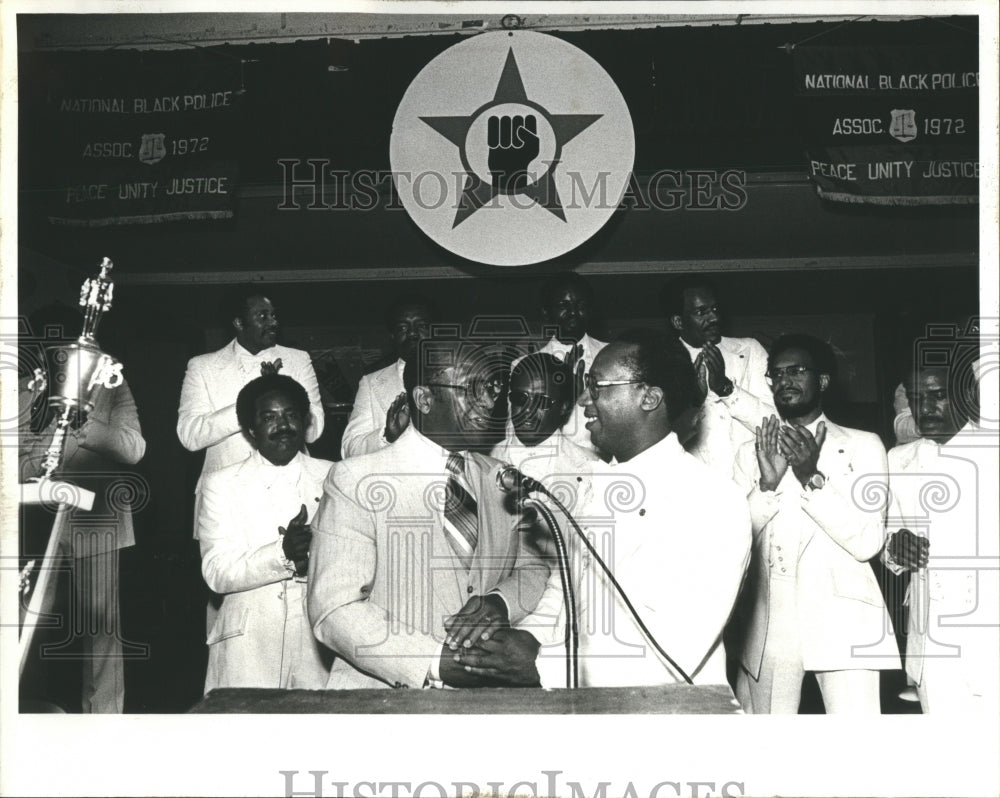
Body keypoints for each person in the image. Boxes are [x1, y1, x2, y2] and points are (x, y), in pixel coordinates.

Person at [456, 330, 752, 689]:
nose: (583, 400)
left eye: (597, 386)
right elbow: (565, 588)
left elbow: (673, 651)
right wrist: (522, 640)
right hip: (583, 704)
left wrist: (542, 666)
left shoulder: (714, 502)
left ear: (649, 397)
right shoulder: (599, 484)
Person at [308, 336, 550, 689]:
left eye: (494, 387)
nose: (490, 402)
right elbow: (334, 609)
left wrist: (500, 602)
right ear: (424, 399)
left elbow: (534, 568)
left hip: (488, 701)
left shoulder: (504, 478)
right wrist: (432, 662)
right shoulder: (355, 480)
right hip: (383, 704)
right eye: (473, 389)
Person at [732, 334, 899, 714]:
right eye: (777, 374)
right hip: (769, 624)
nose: (785, 380)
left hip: (845, 618)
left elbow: (868, 541)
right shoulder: (750, 452)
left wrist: (812, 478)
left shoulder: (863, 445)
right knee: (768, 749)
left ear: (822, 381)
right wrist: (767, 485)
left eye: (797, 371)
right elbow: (735, 544)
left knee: (855, 749)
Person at [18, 303, 146, 713]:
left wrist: (82, 424)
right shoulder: (19, 390)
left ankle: (104, 722)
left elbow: (134, 448)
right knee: (30, 622)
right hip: (36, 524)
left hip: (99, 521)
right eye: (50, 345)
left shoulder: (111, 386)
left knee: (101, 629)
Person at [197, 374, 334, 691]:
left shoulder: (334, 476)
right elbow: (216, 571)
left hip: (320, 646)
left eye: (291, 415)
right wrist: (282, 555)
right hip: (249, 647)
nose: (283, 425)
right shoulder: (221, 484)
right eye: (269, 417)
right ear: (250, 430)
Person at [883, 359, 998, 713]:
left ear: (965, 395)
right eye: (917, 397)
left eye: (938, 396)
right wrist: (895, 547)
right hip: (931, 646)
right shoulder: (898, 459)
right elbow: (887, 544)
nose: (926, 408)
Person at [177, 288, 324, 525]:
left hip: (292, 493)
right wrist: (252, 403)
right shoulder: (203, 366)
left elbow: (315, 430)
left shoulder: (298, 360)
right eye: (263, 316)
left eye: (274, 316)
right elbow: (190, 435)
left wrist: (282, 399)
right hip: (228, 500)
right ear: (238, 322)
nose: (273, 322)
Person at [661, 277, 773, 477]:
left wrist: (726, 389)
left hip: (756, 481)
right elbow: (660, 443)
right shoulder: (662, 363)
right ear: (678, 321)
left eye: (715, 309)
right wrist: (694, 403)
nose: (714, 318)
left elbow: (775, 424)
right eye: (701, 312)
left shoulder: (750, 350)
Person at [512, 273, 607, 457]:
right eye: (563, 305)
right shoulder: (523, 367)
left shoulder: (612, 355)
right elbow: (519, 438)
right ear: (546, 313)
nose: (573, 312)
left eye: (581, 305)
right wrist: (567, 398)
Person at [340, 294, 433, 458]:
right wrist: (387, 436)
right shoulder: (370, 383)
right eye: (403, 328)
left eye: (422, 326)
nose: (412, 334)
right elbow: (349, 449)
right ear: (392, 337)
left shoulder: (459, 376)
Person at [491, 352, 599, 482]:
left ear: (563, 407)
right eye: (520, 398)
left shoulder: (591, 467)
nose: (528, 409)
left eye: (541, 401)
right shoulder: (486, 461)